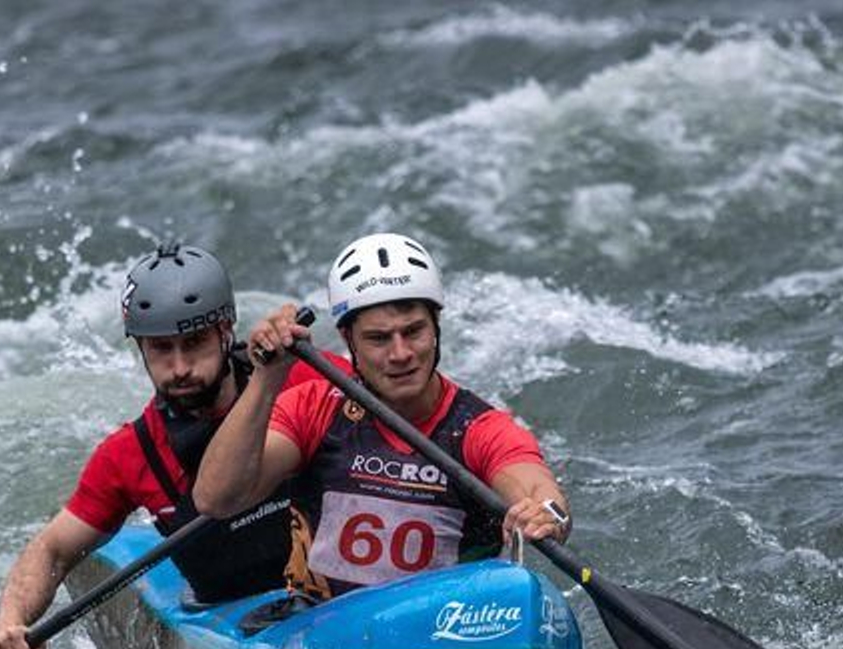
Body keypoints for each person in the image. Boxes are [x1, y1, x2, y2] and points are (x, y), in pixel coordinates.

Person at [0, 243, 340, 649]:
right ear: (140, 349)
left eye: (195, 343)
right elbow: (52, 550)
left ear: (226, 330)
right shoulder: (130, 453)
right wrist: (10, 622)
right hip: (235, 619)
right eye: (161, 349)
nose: (180, 366)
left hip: (338, 603)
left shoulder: (303, 376)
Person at [193, 232, 570, 601]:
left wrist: (545, 514)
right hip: (318, 629)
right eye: (378, 338)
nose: (401, 352)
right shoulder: (314, 407)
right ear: (348, 339)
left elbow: (539, 491)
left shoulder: (480, 429)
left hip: (443, 633)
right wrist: (267, 377)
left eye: (414, 331)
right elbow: (216, 499)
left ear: (436, 325)